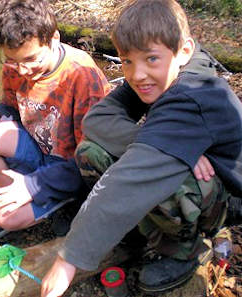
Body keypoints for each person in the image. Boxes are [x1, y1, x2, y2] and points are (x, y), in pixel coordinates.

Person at [41, 0, 242, 296]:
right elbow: (97, 120)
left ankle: (185, 250)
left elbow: (128, 182)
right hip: (201, 180)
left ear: (183, 51)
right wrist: (159, 141)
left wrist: (69, 259)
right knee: (92, 152)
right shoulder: (160, 72)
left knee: (161, 176)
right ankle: (140, 232)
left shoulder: (193, 94)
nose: (136, 75)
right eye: (127, 61)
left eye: (150, 59)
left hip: (229, 197)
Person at [0, 0, 111, 239]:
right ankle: (14, 191)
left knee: (5, 217)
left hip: (71, 167)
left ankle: (64, 200)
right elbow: (15, 109)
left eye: (31, 60)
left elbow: (91, 159)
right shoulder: (16, 65)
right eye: (12, 60)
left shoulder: (82, 76)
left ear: (54, 39)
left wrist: (36, 185)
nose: (22, 70)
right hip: (38, 148)